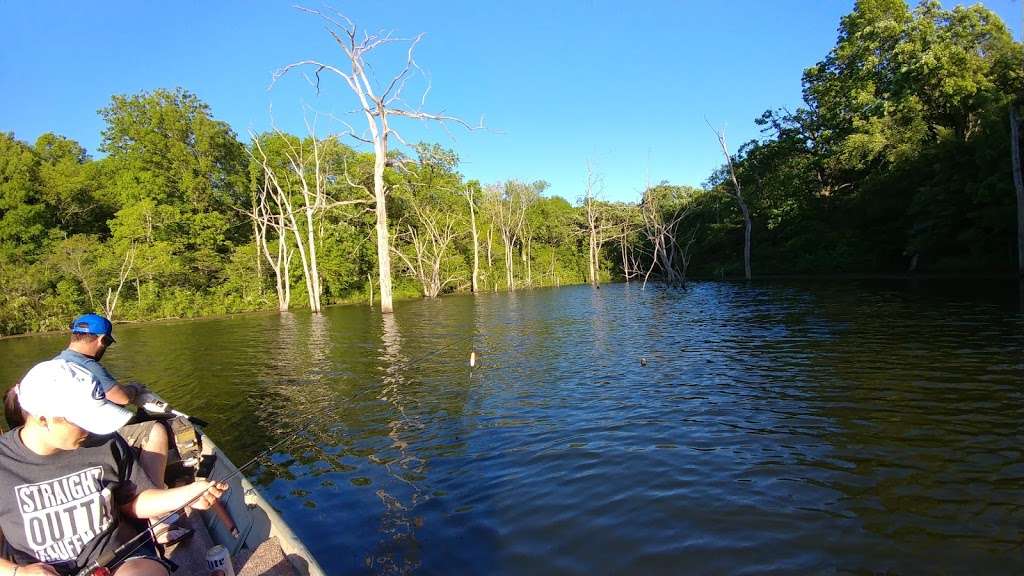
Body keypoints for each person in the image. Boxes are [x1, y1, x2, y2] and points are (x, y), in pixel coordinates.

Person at [0, 359, 226, 576]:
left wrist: (187, 494)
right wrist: (17, 571)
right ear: (43, 420)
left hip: (119, 559)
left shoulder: (105, 442)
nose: (91, 430)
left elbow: (135, 501)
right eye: (83, 421)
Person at [56, 314, 190, 546]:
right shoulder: (87, 364)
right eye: (106, 342)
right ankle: (156, 513)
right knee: (155, 430)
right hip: (89, 437)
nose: (104, 347)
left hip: (63, 437)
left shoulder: (57, 362)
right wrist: (135, 389)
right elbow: (119, 397)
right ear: (101, 340)